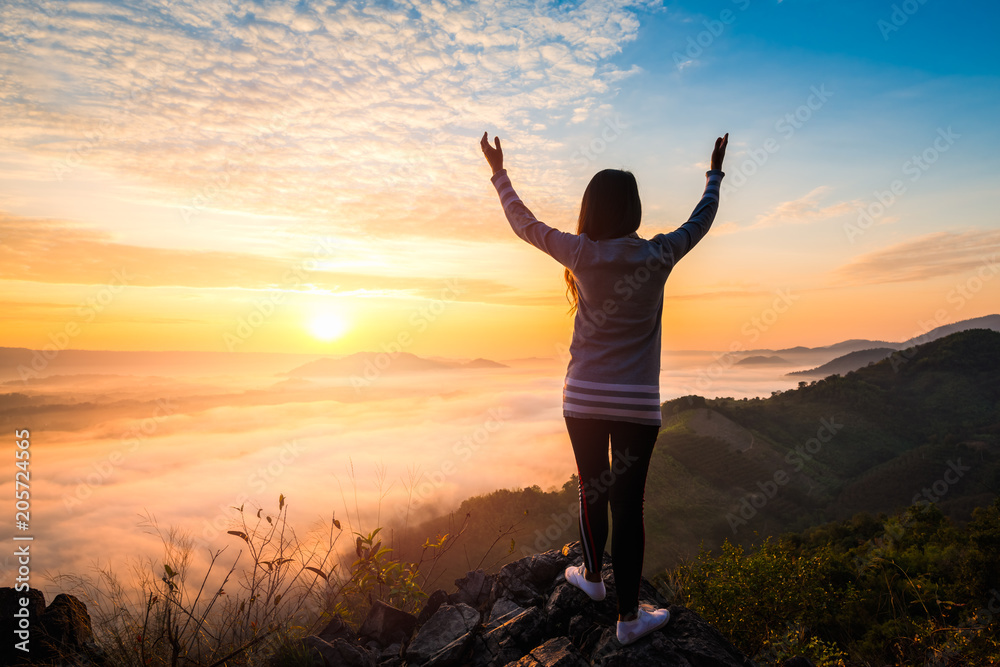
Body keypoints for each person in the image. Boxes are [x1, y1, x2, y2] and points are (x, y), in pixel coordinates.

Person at [480, 130, 728, 645]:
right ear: (634, 209)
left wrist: (500, 172)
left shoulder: (580, 253)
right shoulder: (659, 254)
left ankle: (592, 580)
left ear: (590, 209)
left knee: (591, 489)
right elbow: (699, 222)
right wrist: (714, 174)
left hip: (584, 399)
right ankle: (628, 618)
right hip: (637, 404)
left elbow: (524, 224)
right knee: (627, 505)